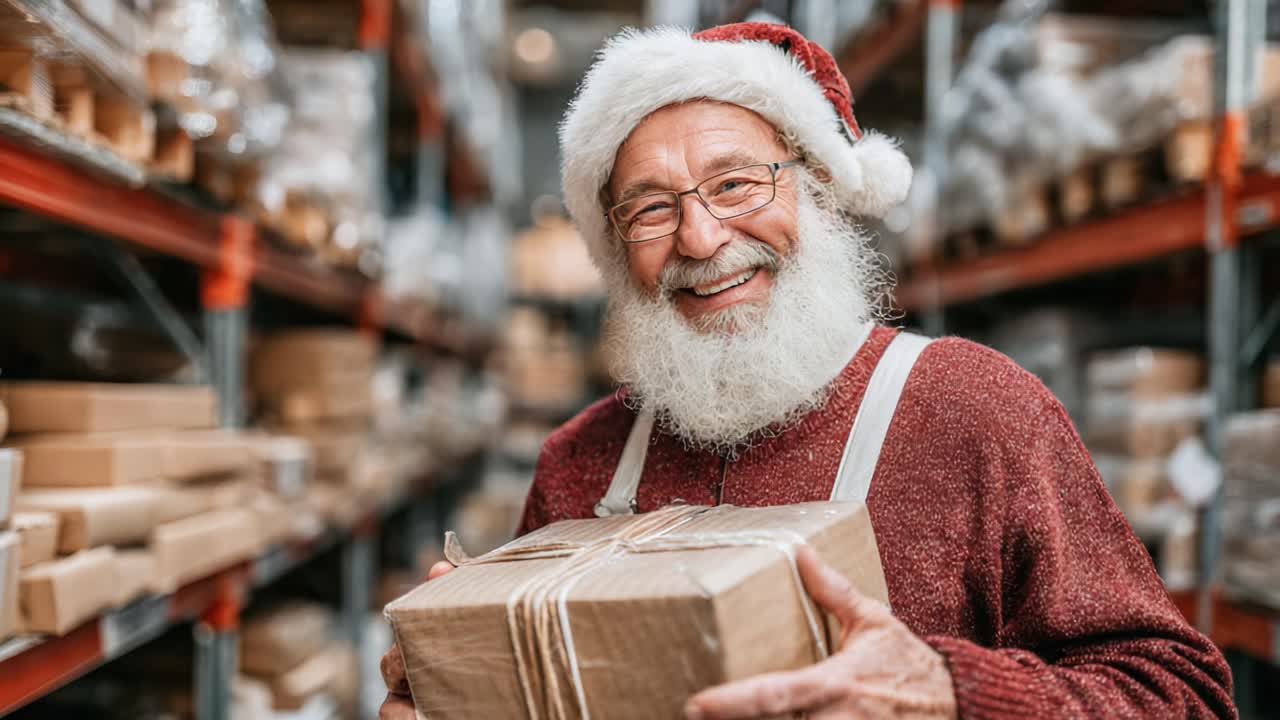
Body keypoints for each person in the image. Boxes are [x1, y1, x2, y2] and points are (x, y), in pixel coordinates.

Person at [381, 22, 1235, 720]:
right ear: (616, 251)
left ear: (819, 193)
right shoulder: (580, 461)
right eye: (650, 208)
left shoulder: (973, 409)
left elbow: (1182, 694)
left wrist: (950, 694)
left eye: (737, 184)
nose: (701, 239)